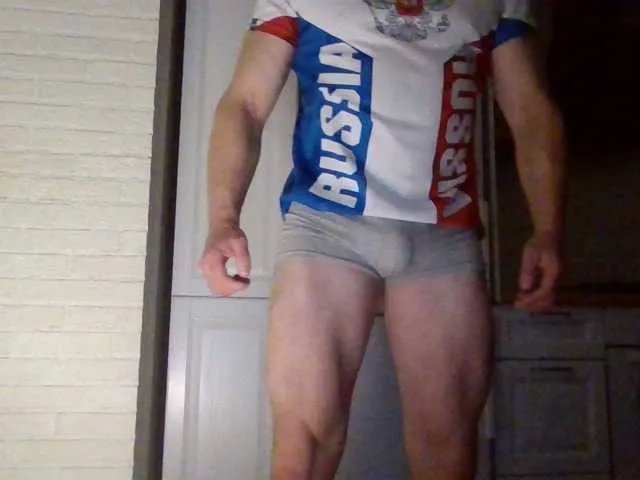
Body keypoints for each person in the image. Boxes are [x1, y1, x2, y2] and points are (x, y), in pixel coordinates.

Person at [199, 0, 565, 478]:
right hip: (327, 228)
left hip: (443, 236)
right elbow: (245, 105)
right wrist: (223, 218)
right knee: (303, 448)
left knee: (447, 449)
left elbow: (530, 112)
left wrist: (548, 229)